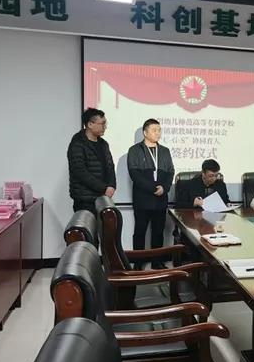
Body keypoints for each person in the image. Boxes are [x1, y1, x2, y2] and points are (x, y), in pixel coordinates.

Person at [127, 118, 175, 269]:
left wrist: (164, 188)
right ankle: (138, 263)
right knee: (140, 232)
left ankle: (157, 262)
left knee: (158, 232)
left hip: (160, 199)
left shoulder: (165, 151)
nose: (158, 133)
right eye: (154, 130)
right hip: (142, 199)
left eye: (159, 130)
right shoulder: (134, 150)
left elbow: (170, 172)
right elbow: (135, 175)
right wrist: (154, 188)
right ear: (145, 132)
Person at [67, 108, 116, 213]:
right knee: (86, 224)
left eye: (105, 123)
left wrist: (112, 186)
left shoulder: (103, 144)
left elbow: (110, 167)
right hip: (85, 201)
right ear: (90, 124)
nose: (105, 127)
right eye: (102, 123)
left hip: (103, 198)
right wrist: (104, 188)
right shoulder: (77, 144)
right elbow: (80, 172)